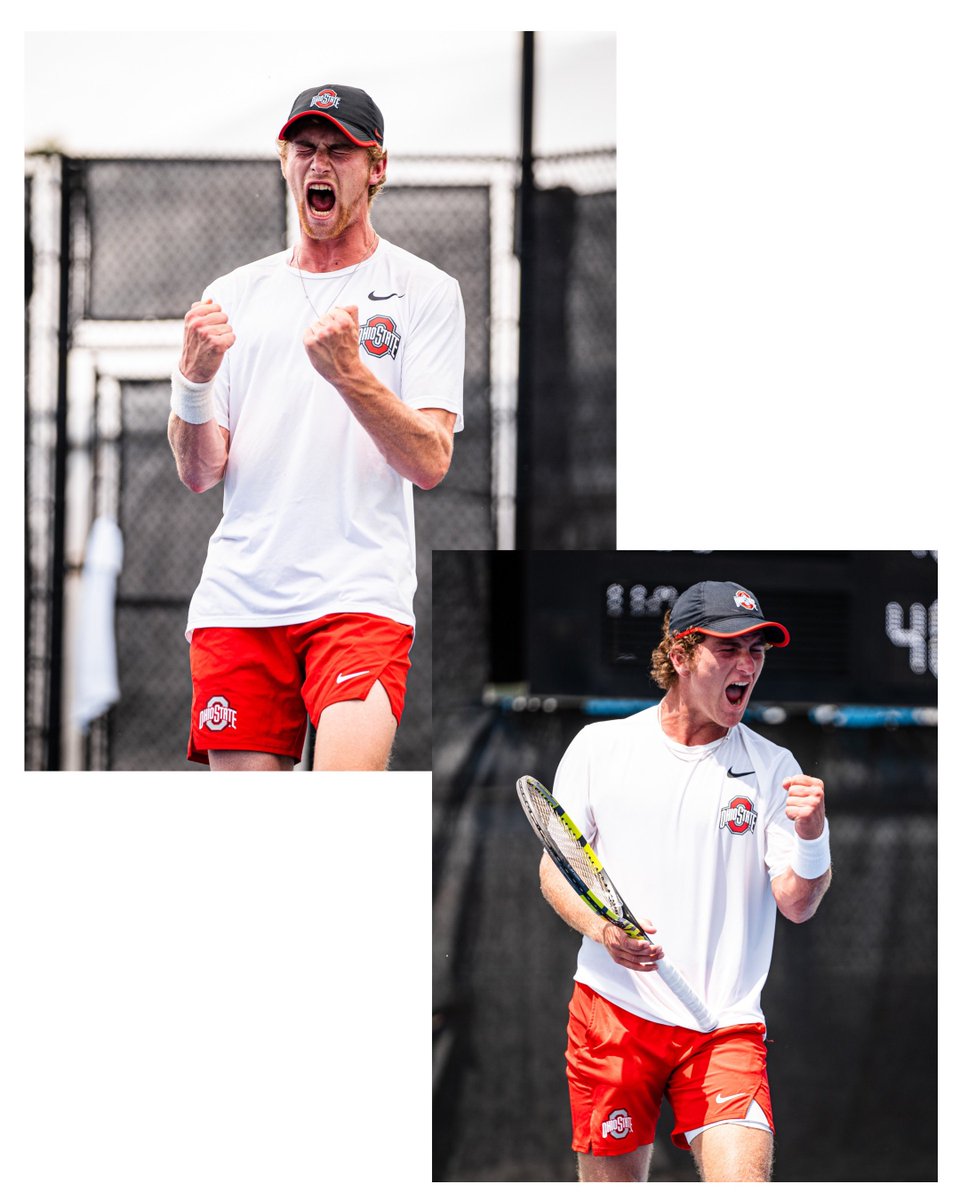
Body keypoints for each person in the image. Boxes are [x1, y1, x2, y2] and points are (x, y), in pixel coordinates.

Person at [167, 84, 465, 771]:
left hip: (360, 598)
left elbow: (430, 461)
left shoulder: (424, 290)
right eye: (305, 148)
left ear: (377, 167)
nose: (319, 164)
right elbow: (200, 471)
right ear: (284, 160)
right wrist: (192, 381)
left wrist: (349, 374)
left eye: (339, 150)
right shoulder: (235, 294)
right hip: (240, 603)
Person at [541, 580, 831, 1182]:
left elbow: (797, 904)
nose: (747, 665)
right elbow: (555, 869)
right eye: (729, 649)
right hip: (613, 1016)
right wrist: (602, 929)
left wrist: (812, 837)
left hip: (723, 1028)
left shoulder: (775, 766)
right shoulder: (601, 747)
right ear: (679, 654)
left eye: (757, 651)